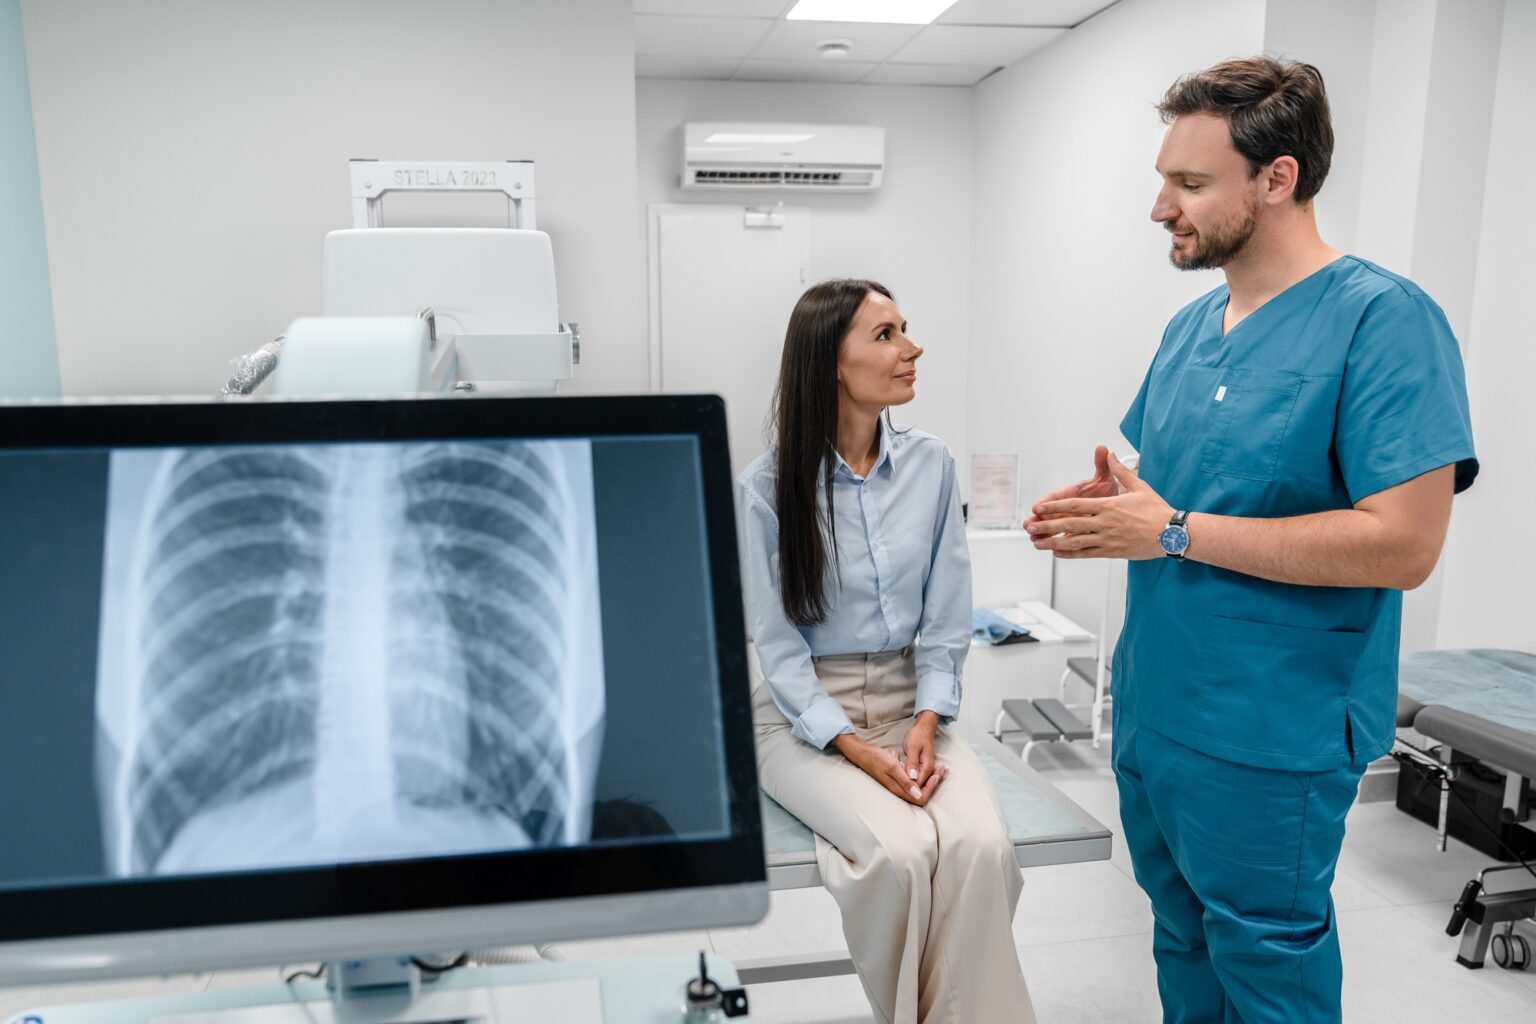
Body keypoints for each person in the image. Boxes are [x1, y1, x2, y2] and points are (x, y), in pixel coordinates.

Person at [1026, 57, 1477, 1023]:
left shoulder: (1385, 322)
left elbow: (1403, 546)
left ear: (1277, 179)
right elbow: (1180, 494)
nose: (1161, 208)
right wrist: (1115, 509)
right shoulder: (1191, 328)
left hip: (1271, 726)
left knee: (1266, 966)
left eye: (1190, 184)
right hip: (1157, 705)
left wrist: (1172, 530)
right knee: (1182, 941)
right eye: (1164, 180)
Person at [740, 279, 1034, 1024]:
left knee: (981, 848)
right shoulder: (766, 488)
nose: (913, 348)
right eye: (886, 335)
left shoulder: (931, 466)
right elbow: (776, 645)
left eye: (906, 329)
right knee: (900, 858)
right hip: (801, 721)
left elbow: (947, 614)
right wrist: (851, 746)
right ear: (830, 362)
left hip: (910, 708)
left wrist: (928, 718)